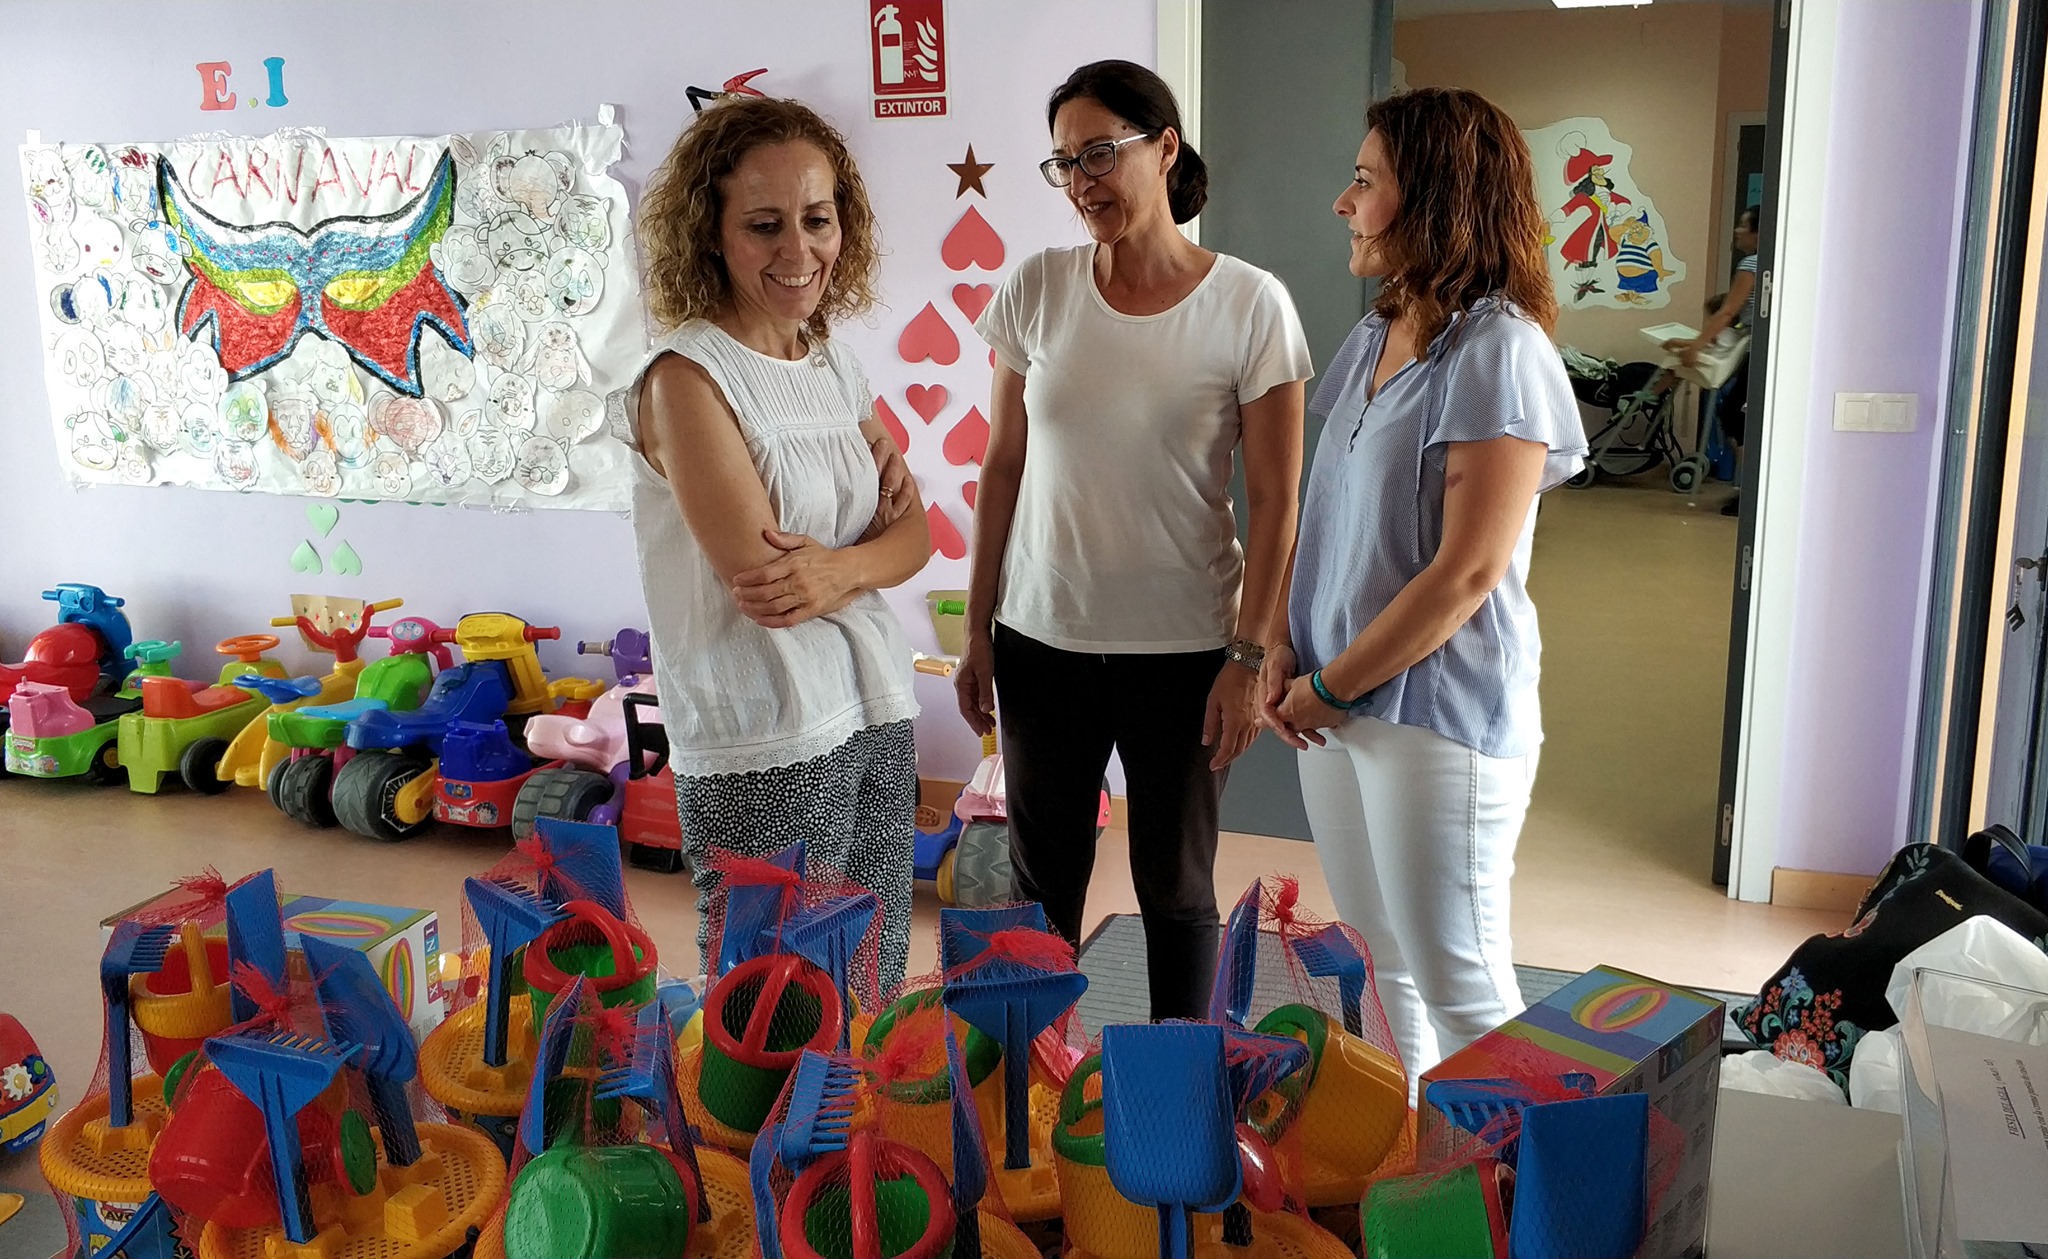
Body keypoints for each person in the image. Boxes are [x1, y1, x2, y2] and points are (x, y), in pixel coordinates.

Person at [955, 60, 1311, 1020]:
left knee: (1176, 888)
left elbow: (1277, 499)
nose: (1081, 182)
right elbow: (1002, 467)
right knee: (1040, 884)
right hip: (1043, 641)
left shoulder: (1250, 304)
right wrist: (979, 627)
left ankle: (1178, 1081)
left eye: (1101, 154)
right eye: (1065, 163)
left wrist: (1249, 656)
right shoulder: (1039, 288)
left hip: (1187, 654)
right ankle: (1035, 1073)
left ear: (1166, 148)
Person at [1261, 87, 1587, 1080]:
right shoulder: (1378, 331)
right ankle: (1417, 1156)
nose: (1343, 202)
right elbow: (1324, 514)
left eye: (1365, 181)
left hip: (1433, 714)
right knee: (1380, 966)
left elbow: (1466, 573)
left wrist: (1332, 682)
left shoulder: (1498, 350)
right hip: (1334, 698)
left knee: (1462, 981)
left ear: (1437, 198)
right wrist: (1279, 641)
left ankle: (1531, 1172)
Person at [619, 96, 928, 992]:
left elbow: (918, 537)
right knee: (772, 1005)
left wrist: (840, 568)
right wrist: (860, 558)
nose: (799, 250)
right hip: (766, 730)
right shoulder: (687, 378)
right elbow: (771, 585)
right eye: (764, 225)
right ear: (711, 235)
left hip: (874, 706)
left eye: (817, 219)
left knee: (868, 982)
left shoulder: (831, 365)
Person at [1667, 204, 1760, 516]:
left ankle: (1749, 492)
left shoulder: (1752, 263)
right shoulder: (1775, 263)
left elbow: (1728, 311)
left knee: (1735, 413)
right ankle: (1749, 489)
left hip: (1758, 350)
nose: (1737, 231)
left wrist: (1695, 348)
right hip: (1760, 347)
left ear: (1758, 233)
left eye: (1743, 225)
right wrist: (1696, 341)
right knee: (1738, 414)